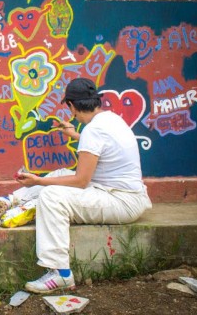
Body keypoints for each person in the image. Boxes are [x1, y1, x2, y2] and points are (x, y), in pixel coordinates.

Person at [16, 78, 152, 294]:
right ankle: (12, 201)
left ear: (71, 106)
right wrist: (75, 135)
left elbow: (81, 181)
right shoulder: (110, 120)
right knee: (61, 174)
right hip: (120, 193)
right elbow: (100, 147)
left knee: (52, 197)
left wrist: (39, 181)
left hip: (121, 201)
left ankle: (60, 274)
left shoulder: (93, 131)